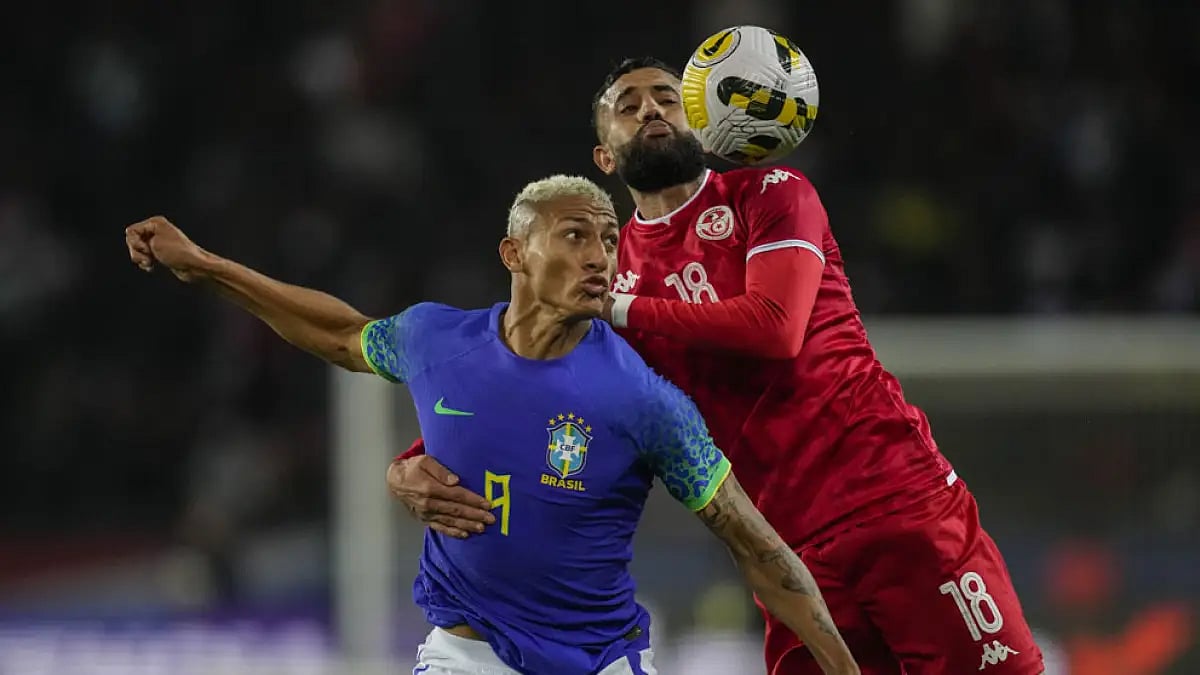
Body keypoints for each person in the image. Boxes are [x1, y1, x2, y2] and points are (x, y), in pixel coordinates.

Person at [387, 58, 1046, 675]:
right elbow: (533, 383)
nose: (651, 110)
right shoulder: (609, 273)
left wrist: (621, 309)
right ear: (605, 155)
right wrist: (411, 461)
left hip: (897, 502)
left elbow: (776, 327)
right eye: (628, 105)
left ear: (698, 123)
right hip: (789, 551)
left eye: (667, 98)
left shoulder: (773, 194)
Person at [123, 175, 858, 675]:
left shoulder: (644, 397)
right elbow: (338, 334)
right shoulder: (439, 341)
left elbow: (753, 543)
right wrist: (209, 266)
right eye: (576, 235)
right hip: (465, 655)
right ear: (515, 253)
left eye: (608, 238)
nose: (601, 256)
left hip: (599, 661)